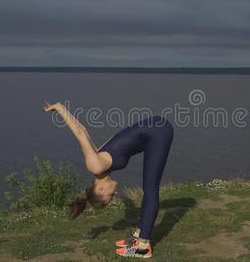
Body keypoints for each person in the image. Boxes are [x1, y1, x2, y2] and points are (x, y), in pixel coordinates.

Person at [43, 101, 174, 258]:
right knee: (149, 189)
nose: (115, 192)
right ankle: (138, 237)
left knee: (151, 190)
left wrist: (59, 108)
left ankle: (143, 246)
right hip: (154, 132)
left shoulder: (95, 166)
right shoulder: (100, 163)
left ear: (101, 189)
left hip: (158, 132)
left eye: (110, 196)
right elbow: (84, 130)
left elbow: (80, 132)